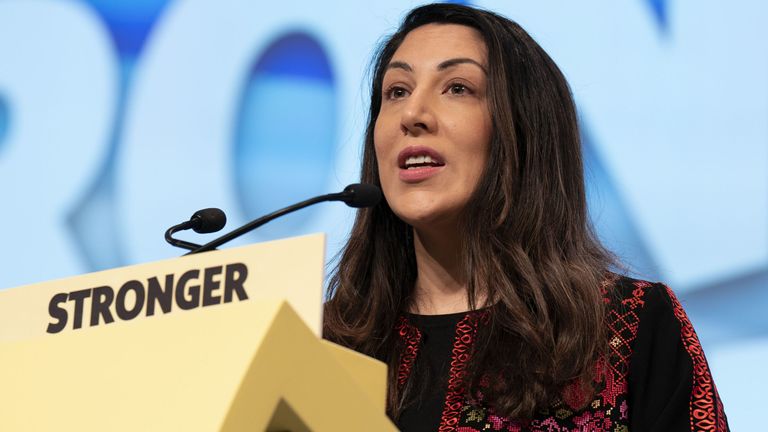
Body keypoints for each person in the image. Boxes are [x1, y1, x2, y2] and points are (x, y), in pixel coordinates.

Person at [323, 3, 729, 431]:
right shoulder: (326, 345)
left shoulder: (629, 326)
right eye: (397, 91)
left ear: (523, 130)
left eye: (457, 87)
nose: (412, 115)